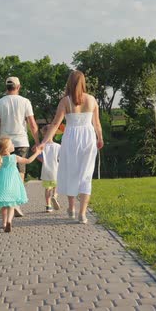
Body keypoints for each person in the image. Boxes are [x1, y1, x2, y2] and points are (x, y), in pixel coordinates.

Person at [39, 70, 104, 224]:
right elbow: (97, 124)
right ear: (83, 82)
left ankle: (72, 208)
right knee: (86, 175)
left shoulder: (65, 101)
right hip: (88, 137)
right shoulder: (92, 100)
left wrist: (43, 142)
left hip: (71, 138)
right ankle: (83, 213)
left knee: (71, 173)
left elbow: (55, 124)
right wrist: (100, 138)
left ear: (69, 83)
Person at [0, 76, 40, 217]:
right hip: (21, 142)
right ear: (18, 87)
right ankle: (15, 203)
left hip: (4, 143)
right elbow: (32, 125)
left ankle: (8, 201)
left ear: (6, 87)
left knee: (4, 172)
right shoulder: (25, 102)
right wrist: (38, 142)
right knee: (20, 172)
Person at [0, 137, 41, 232]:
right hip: (13, 184)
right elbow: (28, 161)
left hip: (3, 185)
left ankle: (4, 223)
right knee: (11, 205)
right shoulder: (14, 157)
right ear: (6, 149)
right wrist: (37, 153)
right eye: (11, 144)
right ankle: (9, 221)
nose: (13, 145)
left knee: (4, 206)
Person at [37, 124, 61, 213]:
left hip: (45, 170)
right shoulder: (58, 146)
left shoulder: (42, 146)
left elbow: (38, 157)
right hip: (56, 169)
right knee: (56, 186)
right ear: (54, 134)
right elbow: (60, 158)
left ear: (44, 134)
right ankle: (54, 196)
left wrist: (44, 161)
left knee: (47, 188)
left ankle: (48, 206)